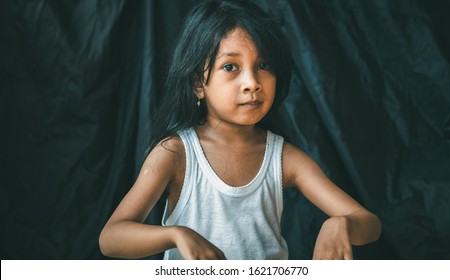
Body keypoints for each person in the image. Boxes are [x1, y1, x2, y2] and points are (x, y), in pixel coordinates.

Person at [99, 0, 381, 260]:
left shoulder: (284, 158)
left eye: (263, 65)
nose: (252, 82)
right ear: (198, 83)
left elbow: (370, 223)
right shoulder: (176, 154)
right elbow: (111, 238)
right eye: (231, 66)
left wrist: (341, 223)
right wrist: (176, 235)